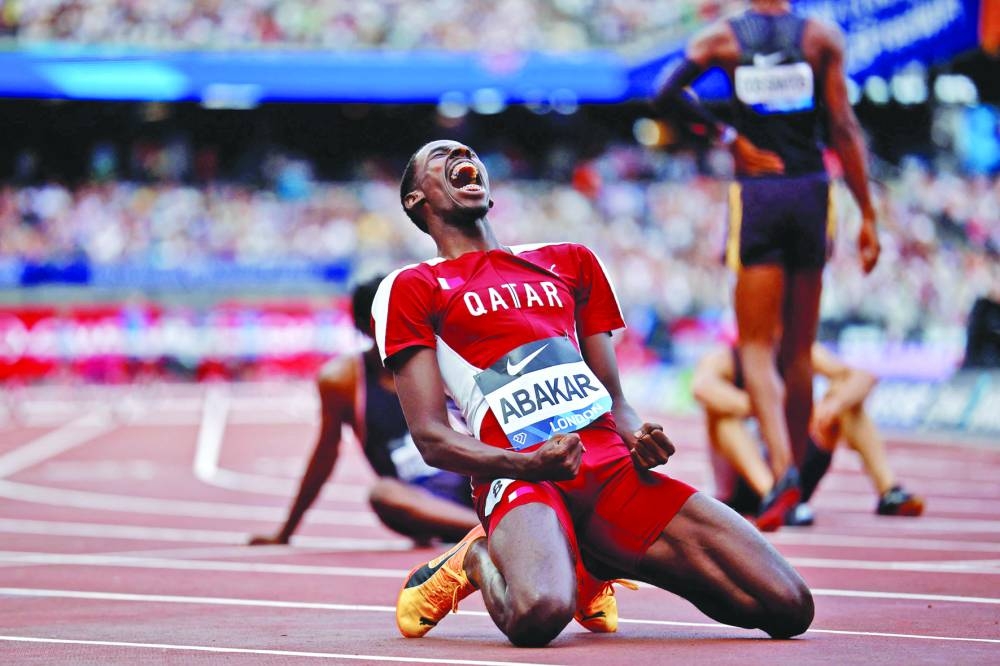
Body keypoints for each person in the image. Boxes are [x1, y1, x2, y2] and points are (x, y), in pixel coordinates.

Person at [373, 139, 812, 648]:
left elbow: (616, 400)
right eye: (440, 156)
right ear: (415, 201)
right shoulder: (412, 286)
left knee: (787, 607)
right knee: (540, 614)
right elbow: (431, 439)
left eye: (466, 153)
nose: (460, 157)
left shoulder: (571, 261)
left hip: (611, 470)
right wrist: (531, 466)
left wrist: (639, 436)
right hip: (519, 477)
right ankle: (475, 557)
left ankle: (597, 557)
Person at [652, 0, 881, 530]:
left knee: (757, 347)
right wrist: (868, 215)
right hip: (810, 192)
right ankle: (795, 475)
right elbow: (843, 125)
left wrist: (730, 138)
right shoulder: (819, 38)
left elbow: (665, 92)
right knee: (797, 350)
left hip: (760, 194)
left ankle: (782, 475)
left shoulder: (724, 38)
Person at [248, 276, 479, 547]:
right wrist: (286, 532)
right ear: (363, 328)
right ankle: (483, 528)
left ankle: (501, 517)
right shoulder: (343, 381)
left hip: (475, 483)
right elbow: (325, 456)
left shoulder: (444, 361)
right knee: (383, 494)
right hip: (420, 505)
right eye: (387, 322)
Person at [692, 342, 925, 529]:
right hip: (743, 484)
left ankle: (889, 491)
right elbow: (702, 388)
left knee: (846, 403)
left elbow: (864, 377)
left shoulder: (801, 351)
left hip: (796, 467)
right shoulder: (726, 359)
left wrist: (835, 404)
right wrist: (764, 409)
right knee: (722, 417)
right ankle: (774, 496)